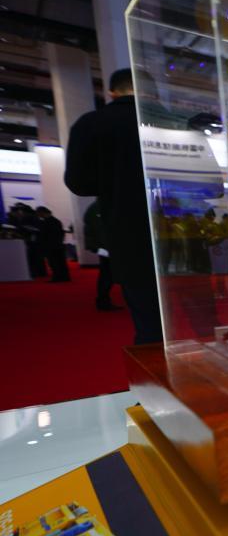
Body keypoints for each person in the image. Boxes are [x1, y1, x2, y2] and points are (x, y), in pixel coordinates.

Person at [65, 68, 163, 344]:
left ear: (111, 93)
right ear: (153, 93)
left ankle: (156, 367)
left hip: (128, 232)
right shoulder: (175, 122)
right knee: (201, 318)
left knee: (149, 324)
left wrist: (116, 182)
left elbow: (78, 183)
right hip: (180, 234)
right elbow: (210, 184)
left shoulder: (92, 124)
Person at [83, 201, 121, 310]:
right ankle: (103, 301)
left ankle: (103, 301)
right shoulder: (100, 207)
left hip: (106, 248)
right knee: (107, 276)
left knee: (106, 275)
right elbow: (98, 230)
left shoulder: (97, 207)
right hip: (107, 249)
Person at [36, 207, 70, 282]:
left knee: (54, 262)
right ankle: (64, 277)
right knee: (60, 262)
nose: (38, 215)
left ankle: (58, 277)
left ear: (42, 212)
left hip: (51, 245)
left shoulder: (48, 222)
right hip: (57, 244)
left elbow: (46, 234)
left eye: (38, 213)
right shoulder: (55, 221)